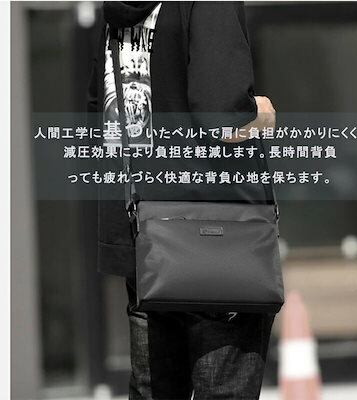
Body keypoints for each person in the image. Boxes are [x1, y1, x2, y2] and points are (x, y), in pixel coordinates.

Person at [87, 2, 277, 398]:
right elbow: (222, 115)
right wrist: (262, 114)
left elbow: (99, 113)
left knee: (154, 389)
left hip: (145, 241)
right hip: (216, 240)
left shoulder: (116, 13)